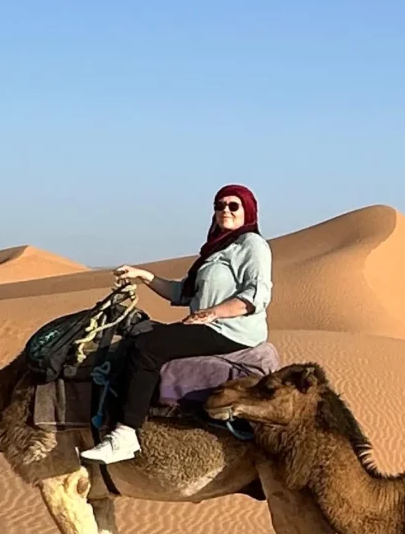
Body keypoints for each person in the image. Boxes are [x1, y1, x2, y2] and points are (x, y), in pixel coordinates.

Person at [82, 184, 273, 466]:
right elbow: (181, 293)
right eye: (220, 205)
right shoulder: (216, 250)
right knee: (139, 334)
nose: (225, 210)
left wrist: (213, 313)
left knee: (147, 348)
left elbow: (256, 296)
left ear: (249, 211)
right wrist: (143, 276)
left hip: (231, 331)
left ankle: (126, 433)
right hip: (206, 325)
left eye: (234, 206)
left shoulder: (252, 245)